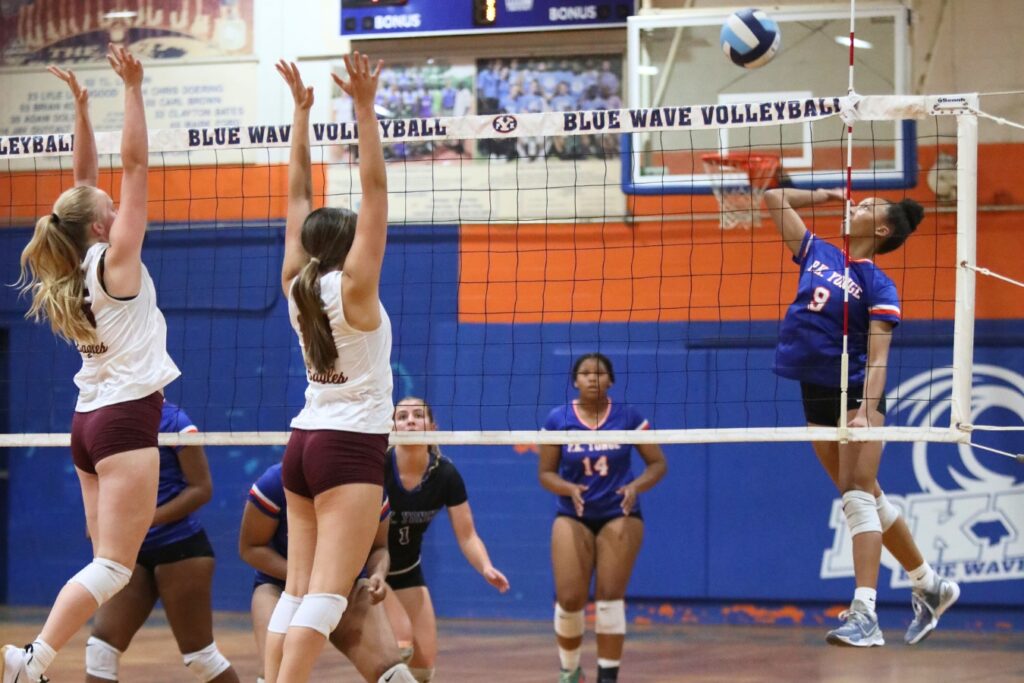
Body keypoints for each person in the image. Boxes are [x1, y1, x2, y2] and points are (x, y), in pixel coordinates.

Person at [3, 47, 181, 683]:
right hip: (125, 420)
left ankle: (41, 658)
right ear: (105, 222)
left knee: (104, 562)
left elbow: (88, 181)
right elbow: (135, 165)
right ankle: (34, 658)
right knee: (113, 567)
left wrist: (83, 108)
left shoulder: (72, 263)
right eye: (109, 203)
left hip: (88, 425)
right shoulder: (118, 262)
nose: (114, 199)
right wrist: (133, 89)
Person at [764, 188, 960, 646]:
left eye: (867, 207)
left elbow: (877, 357)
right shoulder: (818, 251)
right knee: (866, 493)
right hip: (813, 395)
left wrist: (867, 413)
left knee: (856, 496)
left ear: (883, 230)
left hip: (853, 396)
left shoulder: (879, 285)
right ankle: (931, 585)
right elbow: (773, 199)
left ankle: (865, 613)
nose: (856, 207)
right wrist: (822, 194)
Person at [263, 53, 396, 683]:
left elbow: (296, 195)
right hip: (348, 448)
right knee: (325, 594)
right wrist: (365, 109)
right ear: (349, 246)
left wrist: (301, 113)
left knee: (296, 589)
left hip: (304, 444)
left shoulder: (296, 286)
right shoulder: (357, 289)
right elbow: (375, 190)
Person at [84, 401, 239, 683]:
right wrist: (97, 520)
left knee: (200, 656)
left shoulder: (175, 421)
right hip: (130, 549)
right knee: (100, 650)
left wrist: (143, 521)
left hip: (180, 547)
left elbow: (201, 489)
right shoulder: (108, 417)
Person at [538, 353, 668, 683]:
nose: (593, 378)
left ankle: (607, 677)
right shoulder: (558, 419)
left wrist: (635, 487)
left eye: (600, 373)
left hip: (619, 513)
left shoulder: (627, 417)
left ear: (610, 380)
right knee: (569, 598)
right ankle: (570, 670)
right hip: (573, 514)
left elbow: (658, 464)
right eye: (585, 373)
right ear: (575, 381)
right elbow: (545, 474)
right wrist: (568, 488)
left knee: (610, 596)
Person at [240, 463, 413, 683]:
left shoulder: (369, 486)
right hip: (281, 586)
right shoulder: (277, 481)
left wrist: (377, 574)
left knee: (396, 677)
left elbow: (379, 548)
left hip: (345, 588)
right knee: (274, 676)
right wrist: (304, 578)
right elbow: (251, 548)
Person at [382, 397, 510, 683]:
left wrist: (486, 567)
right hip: (371, 571)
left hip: (407, 572)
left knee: (423, 669)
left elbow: (467, 536)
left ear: (433, 426)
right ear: (391, 427)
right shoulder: (376, 468)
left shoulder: (445, 474)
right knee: (400, 647)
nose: (410, 420)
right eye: (402, 416)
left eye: (418, 415)